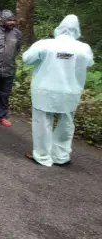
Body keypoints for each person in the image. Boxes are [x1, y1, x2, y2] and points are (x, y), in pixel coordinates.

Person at [23, 15, 94, 167]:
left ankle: (42, 156)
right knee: (66, 123)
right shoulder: (84, 48)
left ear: (59, 27)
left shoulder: (45, 44)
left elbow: (27, 59)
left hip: (45, 89)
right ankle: (61, 156)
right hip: (70, 91)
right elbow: (89, 63)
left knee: (42, 122)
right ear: (77, 29)